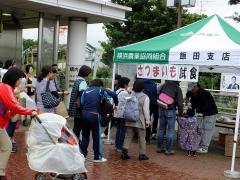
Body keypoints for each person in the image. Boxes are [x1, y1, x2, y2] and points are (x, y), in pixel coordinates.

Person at [0, 67, 37, 180]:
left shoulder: (7, 88)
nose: (20, 81)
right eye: (19, 79)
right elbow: (13, 105)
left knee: (6, 146)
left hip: (1, 124)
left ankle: (0, 173)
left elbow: (10, 107)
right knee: (6, 146)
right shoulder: (5, 87)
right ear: (14, 78)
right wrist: (29, 111)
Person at [80, 79, 118, 162]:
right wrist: (116, 104)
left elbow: (82, 102)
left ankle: (82, 156)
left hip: (84, 114)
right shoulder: (101, 90)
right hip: (94, 115)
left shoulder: (85, 91)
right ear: (100, 85)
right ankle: (97, 157)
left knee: (85, 137)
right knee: (96, 137)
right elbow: (114, 95)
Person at [121, 79, 150, 161]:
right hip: (139, 120)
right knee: (141, 137)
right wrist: (147, 121)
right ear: (143, 87)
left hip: (129, 118)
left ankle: (124, 152)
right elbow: (146, 111)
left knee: (128, 136)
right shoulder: (145, 97)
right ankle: (142, 154)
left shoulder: (130, 95)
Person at [187, 82, 218, 153]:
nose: (191, 91)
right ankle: (201, 146)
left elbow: (205, 106)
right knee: (203, 129)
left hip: (211, 113)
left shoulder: (203, 93)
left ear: (196, 87)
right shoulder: (195, 94)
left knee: (207, 130)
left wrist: (195, 111)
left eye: (192, 89)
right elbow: (194, 104)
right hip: (205, 114)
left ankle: (204, 148)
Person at [157, 81, 183, 155]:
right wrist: (180, 114)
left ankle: (159, 148)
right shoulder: (177, 88)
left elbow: (158, 94)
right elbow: (180, 103)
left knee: (161, 128)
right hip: (171, 110)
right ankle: (169, 150)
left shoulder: (164, 85)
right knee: (170, 130)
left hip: (161, 108)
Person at [69, 65, 92, 142]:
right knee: (78, 128)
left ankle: (74, 142)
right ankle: (75, 144)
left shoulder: (77, 80)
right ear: (86, 73)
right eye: (89, 73)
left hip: (75, 106)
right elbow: (82, 94)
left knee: (76, 126)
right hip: (80, 108)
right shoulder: (83, 82)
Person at [114, 77, 130, 152]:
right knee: (122, 130)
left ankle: (117, 145)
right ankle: (120, 146)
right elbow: (126, 103)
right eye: (128, 84)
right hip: (122, 114)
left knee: (119, 129)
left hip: (117, 113)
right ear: (125, 84)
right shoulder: (124, 92)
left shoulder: (118, 91)